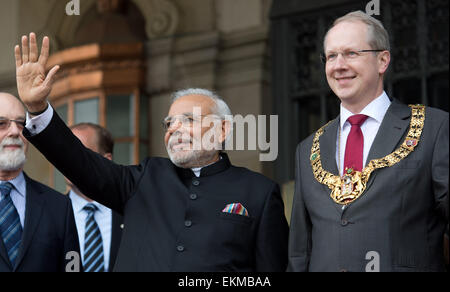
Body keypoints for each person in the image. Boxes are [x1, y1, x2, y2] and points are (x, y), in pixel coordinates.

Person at [14, 33, 289, 272]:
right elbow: (79, 161)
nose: (175, 129)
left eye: (189, 120)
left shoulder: (259, 192)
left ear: (222, 130)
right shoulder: (145, 178)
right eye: (169, 123)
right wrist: (38, 109)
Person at [287, 11, 449, 272]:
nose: (338, 65)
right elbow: (299, 252)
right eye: (331, 56)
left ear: (382, 60)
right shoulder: (308, 149)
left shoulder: (434, 128)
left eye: (351, 53)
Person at [0, 93, 80, 272]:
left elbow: (72, 269)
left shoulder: (60, 206)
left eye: (21, 123)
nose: (14, 131)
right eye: (1, 124)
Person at [67, 123, 123, 272]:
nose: (66, 161)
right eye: (64, 153)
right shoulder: (50, 213)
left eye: (79, 153)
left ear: (106, 160)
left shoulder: (131, 214)